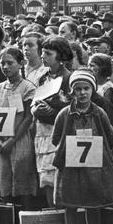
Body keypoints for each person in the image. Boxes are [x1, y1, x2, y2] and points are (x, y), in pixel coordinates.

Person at [52, 70, 113, 224]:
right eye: (78, 89)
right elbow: (56, 138)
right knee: (70, 204)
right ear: (72, 91)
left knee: (93, 204)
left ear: (92, 90)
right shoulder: (64, 114)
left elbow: (110, 137)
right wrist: (69, 151)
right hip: (70, 166)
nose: (82, 93)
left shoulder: (99, 113)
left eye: (86, 88)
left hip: (94, 166)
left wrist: (99, 154)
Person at [0, 47, 37, 209]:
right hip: (0, 141)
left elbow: (27, 118)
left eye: (10, 63)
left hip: (19, 140)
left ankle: (25, 222)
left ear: (21, 64)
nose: (5, 67)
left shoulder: (27, 87)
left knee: (22, 182)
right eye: (3, 63)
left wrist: (12, 140)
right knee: (4, 182)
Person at [31, 36, 73, 207]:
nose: (43, 56)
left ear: (60, 56)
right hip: (42, 132)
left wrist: (53, 111)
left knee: (58, 176)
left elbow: (71, 107)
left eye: (48, 53)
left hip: (59, 133)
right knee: (45, 177)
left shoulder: (69, 79)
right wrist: (36, 109)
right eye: (42, 53)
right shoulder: (43, 78)